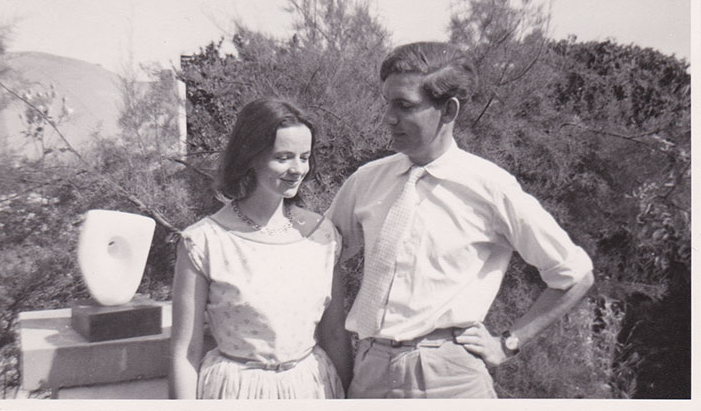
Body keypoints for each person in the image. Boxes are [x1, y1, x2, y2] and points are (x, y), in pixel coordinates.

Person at [327, 42, 595, 398]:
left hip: (450, 378)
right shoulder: (367, 180)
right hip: (370, 371)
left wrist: (509, 343)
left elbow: (575, 275)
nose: (389, 117)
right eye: (387, 102)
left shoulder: (489, 186)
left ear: (448, 110)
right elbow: (318, 258)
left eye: (404, 105)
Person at [169, 98, 352, 399]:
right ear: (250, 157)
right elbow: (185, 352)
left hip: (311, 388)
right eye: (283, 157)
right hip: (236, 391)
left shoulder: (322, 235)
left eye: (304, 157)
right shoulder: (204, 241)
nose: (297, 169)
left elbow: (334, 335)